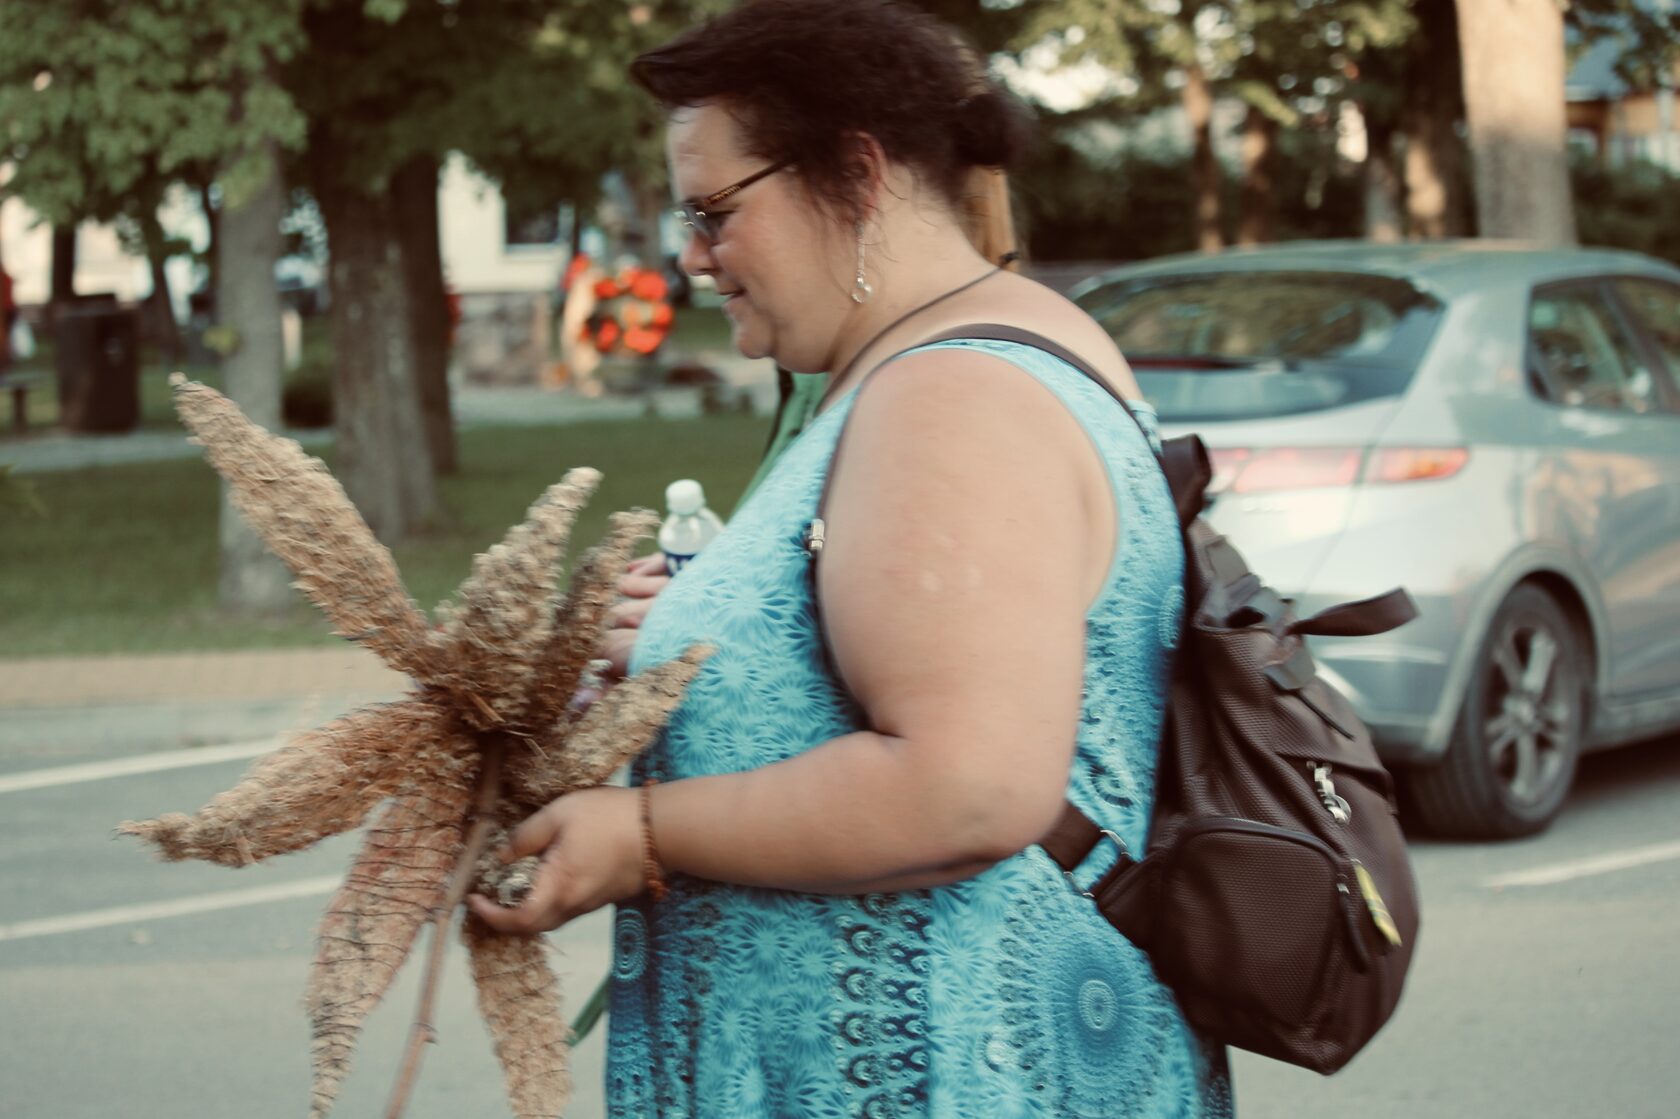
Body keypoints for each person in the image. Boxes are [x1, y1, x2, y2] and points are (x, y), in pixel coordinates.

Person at [468, 2, 1232, 1115]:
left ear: (857, 175)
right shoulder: (961, 356)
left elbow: (967, 787)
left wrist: (640, 836)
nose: (690, 256)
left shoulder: (949, 396)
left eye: (714, 213)